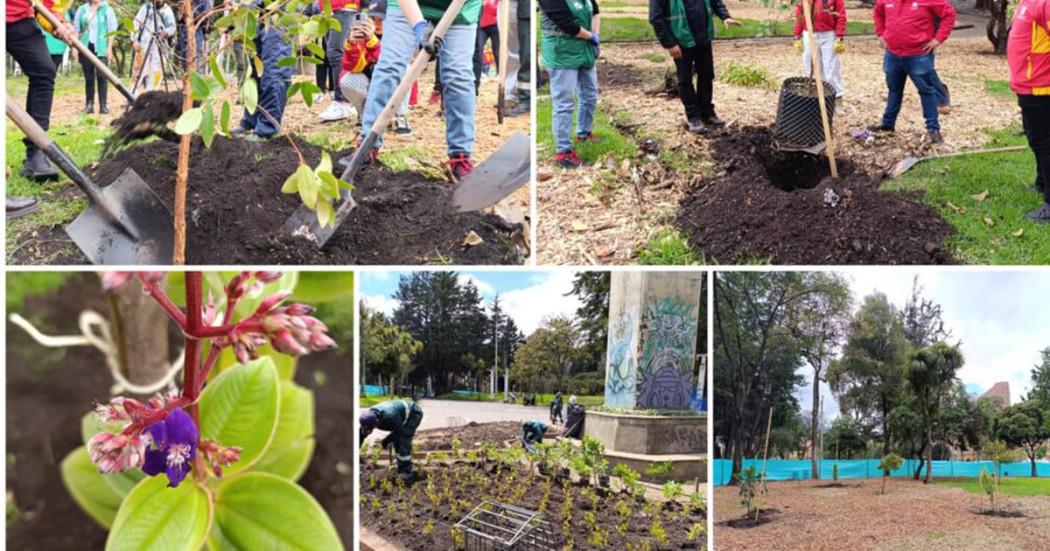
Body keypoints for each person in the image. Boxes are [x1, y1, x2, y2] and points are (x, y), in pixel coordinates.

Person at [357, 0, 483, 180]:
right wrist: (419, 27)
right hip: (408, 5)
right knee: (389, 68)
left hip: (460, 9)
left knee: (459, 77)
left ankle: (460, 156)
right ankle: (367, 147)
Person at [869, 0, 955, 144]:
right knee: (894, 90)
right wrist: (880, 34)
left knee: (926, 91)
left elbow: (949, 14)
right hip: (893, 54)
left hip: (918, 55)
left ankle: (933, 129)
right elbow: (878, 12)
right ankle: (888, 124)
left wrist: (938, 39)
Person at [649, 0, 740, 134]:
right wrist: (669, 43)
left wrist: (724, 16)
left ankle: (707, 112)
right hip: (681, 41)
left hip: (703, 38)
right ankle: (694, 117)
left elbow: (716, 2)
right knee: (685, 79)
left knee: (706, 75)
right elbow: (656, 18)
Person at [8, 0, 74, 180]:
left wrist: (58, 23)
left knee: (44, 71)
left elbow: (46, 3)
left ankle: (37, 151)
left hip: (19, 18)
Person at [540, 0, 600, 169]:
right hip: (561, 52)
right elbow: (568, 24)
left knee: (590, 95)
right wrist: (591, 36)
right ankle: (563, 153)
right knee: (564, 102)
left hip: (584, 50)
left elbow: (595, 10)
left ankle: (584, 133)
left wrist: (597, 34)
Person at [1008, 0, 1050, 222]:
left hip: (1041, 86)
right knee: (1037, 139)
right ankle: (1042, 182)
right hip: (1028, 84)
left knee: (1044, 143)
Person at [234, 3, 292, 139]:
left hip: (277, 10)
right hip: (256, 11)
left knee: (274, 69)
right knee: (255, 68)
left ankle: (267, 127)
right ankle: (252, 119)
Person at [791, 0, 846, 98]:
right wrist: (797, 35)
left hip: (828, 34)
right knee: (809, 61)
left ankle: (836, 93)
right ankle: (817, 90)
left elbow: (841, 15)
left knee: (830, 64)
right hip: (809, 33)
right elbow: (800, 14)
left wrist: (839, 36)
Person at [319, 0, 361, 122]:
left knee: (336, 53)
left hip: (343, 8)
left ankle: (342, 102)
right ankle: (347, 101)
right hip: (330, 10)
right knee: (333, 54)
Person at [74, 0, 118, 114]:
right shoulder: (82, 9)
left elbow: (112, 30)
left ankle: (103, 105)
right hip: (85, 46)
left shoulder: (107, 9)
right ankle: (89, 105)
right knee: (89, 77)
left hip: (101, 47)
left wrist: (109, 48)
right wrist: (75, 48)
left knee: (102, 76)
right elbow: (76, 30)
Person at [359, 399, 424, 478]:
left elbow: (399, 432)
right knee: (396, 438)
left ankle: (405, 471)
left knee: (404, 438)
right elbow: (359, 438)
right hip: (399, 416)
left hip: (413, 413)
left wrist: (385, 441)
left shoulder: (390, 417)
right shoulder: (367, 418)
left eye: (371, 428)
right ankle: (399, 461)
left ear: (377, 422)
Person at [339, 15, 382, 122]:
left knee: (402, 70)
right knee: (348, 81)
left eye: (381, 19)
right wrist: (352, 46)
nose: (377, 23)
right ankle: (364, 113)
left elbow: (387, 62)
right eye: (373, 19)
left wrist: (374, 42)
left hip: (387, 84)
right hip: (366, 80)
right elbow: (354, 68)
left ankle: (398, 115)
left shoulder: (397, 33)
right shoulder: (360, 35)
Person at [131, 0, 177, 93]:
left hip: (160, 46)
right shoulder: (146, 8)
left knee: (156, 72)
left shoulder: (167, 11)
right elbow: (135, 25)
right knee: (138, 72)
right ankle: (132, 95)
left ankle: (150, 96)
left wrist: (166, 32)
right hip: (144, 44)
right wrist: (135, 40)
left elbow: (172, 27)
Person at [507, 0, 530, 116]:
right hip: (515, 7)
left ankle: (525, 97)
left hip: (526, 8)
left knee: (527, 54)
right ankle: (513, 95)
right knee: (515, 53)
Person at [473, 0, 499, 94]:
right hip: (481, 20)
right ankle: (475, 83)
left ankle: (503, 80)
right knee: (477, 51)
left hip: (496, 19)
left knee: (498, 51)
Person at [44, 6, 72, 72]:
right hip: (44, 45)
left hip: (59, 47)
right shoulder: (43, 6)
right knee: (43, 72)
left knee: (52, 72)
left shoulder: (65, 10)